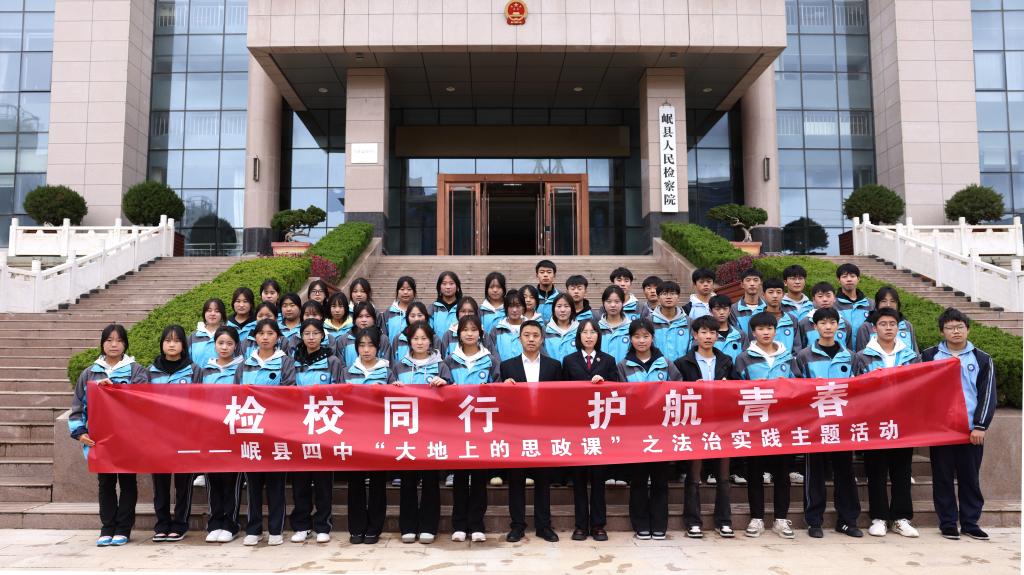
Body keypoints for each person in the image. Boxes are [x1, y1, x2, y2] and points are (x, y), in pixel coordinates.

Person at [921, 308, 996, 541]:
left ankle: (970, 523)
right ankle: (947, 523)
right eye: (950, 328)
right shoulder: (929, 355)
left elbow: (987, 394)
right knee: (942, 477)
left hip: (970, 429)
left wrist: (980, 425)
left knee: (969, 478)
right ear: (941, 331)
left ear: (968, 329)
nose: (955, 331)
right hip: (941, 430)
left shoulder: (982, 358)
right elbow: (920, 391)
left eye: (960, 327)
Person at [69, 324, 147, 546]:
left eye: (119, 340)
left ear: (125, 344)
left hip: (128, 439)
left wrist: (114, 390)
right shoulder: (89, 373)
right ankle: (107, 527)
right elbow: (77, 407)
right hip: (100, 440)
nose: (114, 345)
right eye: (109, 340)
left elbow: (142, 400)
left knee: (128, 482)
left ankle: (123, 529)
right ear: (102, 343)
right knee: (105, 483)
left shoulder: (136, 371)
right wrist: (80, 432)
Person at [793, 307, 862, 539]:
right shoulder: (804, 356)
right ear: (814, 327)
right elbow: (797, 390)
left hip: (843, 425)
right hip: (815, 425)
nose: (828, 326)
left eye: (832, 322)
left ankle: (848, 521)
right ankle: (814, 521)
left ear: (838, 326)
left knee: (846, 472)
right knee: (815, 474)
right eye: (823, 323)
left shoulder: (851, 356)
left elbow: (860, 389)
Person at [853, 308, 921, 539]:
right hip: (874, 421)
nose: (888, 328)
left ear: (899, 327)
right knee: (876, 470)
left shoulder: (911, 356)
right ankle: (879, 517)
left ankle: (901, 518)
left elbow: (919, 386)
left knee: (902, 470)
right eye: (883, 324)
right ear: (874, 328)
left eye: (893, 324)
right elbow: (856, 388)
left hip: (903, 420)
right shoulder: (862, 356)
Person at [617, 318, 682, 540]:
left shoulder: (666, 364)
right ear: (630, 339)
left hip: (661, 431)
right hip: (636, 432)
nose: (641, 340)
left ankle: (659, 524)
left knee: (660, 480)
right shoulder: (623, 366)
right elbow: (619, 397)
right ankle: (641, 524)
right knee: (638, 479)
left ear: (652, 338)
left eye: (645, 336)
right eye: (637, 336)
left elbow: (679, 391)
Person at [234, 319, 296, 546]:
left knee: (276, 483)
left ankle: (276, 529)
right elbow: (235, 395)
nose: (266, 337)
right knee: (253, 484)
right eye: (261, 333)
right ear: (255, 337)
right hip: (250, 431)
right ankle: (254, 528)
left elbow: (290, 392)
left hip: (276, 431)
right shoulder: (245, 364)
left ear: (277, 337)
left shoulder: (285, 362)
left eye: (270, 333)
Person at [734, 312, 796, 539]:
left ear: (775, 330)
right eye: (761, 329)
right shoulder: (743, 358)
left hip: (783, 423)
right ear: (753, 332)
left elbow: (799, 384)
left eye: (769, 328)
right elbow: (735, 388)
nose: (766, 332)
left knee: (782, 473)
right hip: (755, 423)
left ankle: (781, 519)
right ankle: (757, 518)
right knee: (755, 472)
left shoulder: (788, 357)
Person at [499, 320, 562, 543]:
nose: (531, 339)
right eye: (527, 335)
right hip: (517, 431)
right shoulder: (507, 366)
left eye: (536, 335)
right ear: (520, 339)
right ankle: (517, 526)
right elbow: (500, 401)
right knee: (516, 480)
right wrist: (503, 388)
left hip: (544, 430)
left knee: (543, 480)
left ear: (542, 339)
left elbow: (561, 398)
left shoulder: (554, 366)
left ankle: (544, 526)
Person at [674, 315, 736, 539]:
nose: (708, 336)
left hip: (721, 424)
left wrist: (728, 386)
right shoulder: (683, 363)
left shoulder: (726, 361)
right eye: (703, 332)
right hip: (694, 425)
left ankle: (724, 521)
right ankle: (692, 521)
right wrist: (691, 387)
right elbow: (674, 392)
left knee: (723, 476)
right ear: (695, 335)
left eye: (712, 332)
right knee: (694, 476)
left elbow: (738, 389)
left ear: (717, 335)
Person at [391, 322, 452, 544]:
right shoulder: (399, 366)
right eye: (415, 339)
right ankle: (408, 526)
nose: (419, 342)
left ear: (430, 341)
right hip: (406, 430)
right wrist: (394, 387)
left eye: (424, 338)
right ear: (409, 341)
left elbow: (452, 394)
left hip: (432, 430)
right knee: (407, 479)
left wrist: (444, 384)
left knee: (430, 479)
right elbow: (388, 395)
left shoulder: (441, 365)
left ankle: (428, 526)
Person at [443, 315, 500, 543]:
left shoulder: (490, 360)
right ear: (459, 334)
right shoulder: (449, 360)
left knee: (478, 476)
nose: (469, 333)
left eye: (473, 329)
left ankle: (477, 524)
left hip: (481, 425)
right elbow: (443, 389)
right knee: (459, 477)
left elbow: (499, 389)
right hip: (457, 426)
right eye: (465, 330)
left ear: (480, 333)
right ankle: (459, 524)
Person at [562, 319, 618, 541]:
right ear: (578, 336)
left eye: (593, 332)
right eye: (584, 332)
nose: (588, 336)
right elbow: (561, 393)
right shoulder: (569, 360)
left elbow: (617, 390)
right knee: (578, 479)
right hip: (576, 427)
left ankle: (598, 525)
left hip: (599, 428)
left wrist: (605, 382)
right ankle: (580, 525)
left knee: (598, 478)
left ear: (598, 336)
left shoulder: (608, 360)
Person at [290, 319, 345, 544]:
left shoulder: (332, 361)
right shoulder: (293, 361)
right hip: (298, 426)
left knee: (323, 480)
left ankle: (323, 524)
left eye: (315, 333)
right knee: (300, 479)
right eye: (307, 334)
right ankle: (301, 525)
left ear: (323, 336)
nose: (311, 337)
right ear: (301, 336)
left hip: (324, 426)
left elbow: (340, 391)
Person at [145, 325, 198, 543]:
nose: (172, 344)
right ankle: (162, 524)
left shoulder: (194, 370)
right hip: (158, 435)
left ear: (184, 345)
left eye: (176, 341)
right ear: (162, 344)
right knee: (160, 483)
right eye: (168, 340)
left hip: (185, 435)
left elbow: (200, 402)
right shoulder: (150, 371)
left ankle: (180, 524)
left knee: (183, 483)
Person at [193, 326, 244, 543]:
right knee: (213, 478)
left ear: (236, 346)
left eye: (229, 343)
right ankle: (215, 522)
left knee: (231, 479)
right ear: (214, 345)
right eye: (221, 343)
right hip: (210, 431)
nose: (224, 347)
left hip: (233, 430)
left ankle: (230, 524)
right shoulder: (204, 370)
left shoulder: (242, 368)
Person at [344, 327, 393, 544]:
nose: (366, 350)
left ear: (378, 348)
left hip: (379, 433)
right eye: (362, 345)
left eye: (371, 345)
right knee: (355, 482)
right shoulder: (347, 371)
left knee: (377, 482)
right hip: (353, 434)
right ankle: (356, 528)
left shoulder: (387, 371)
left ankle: (374, 528)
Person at [854, 286, 919, 353]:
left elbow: (915, 353)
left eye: (892, 301)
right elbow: (862, 356)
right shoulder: (866, 327)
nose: (888, 305)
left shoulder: (907, 325)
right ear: (877, 304)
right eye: (884, 301)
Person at [334, 302, 392, 366]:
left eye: (368, 316)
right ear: (354, 320)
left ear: (374, 319)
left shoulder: (382, 339)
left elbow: (386, 363)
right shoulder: (343, 340)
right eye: (360, 316)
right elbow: (340, 366)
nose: (364, 320)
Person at [798, 282, 853, 349]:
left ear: (834, 298)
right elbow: (800, 349)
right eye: (820, 296)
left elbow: (849, 349)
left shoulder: (845, 323)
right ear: (813, 299)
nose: (825, 299)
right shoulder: (804, 323)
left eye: (828, 296)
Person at [834, 263, 874, 349]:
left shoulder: (871, 304)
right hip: (841, 353)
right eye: (844, 277)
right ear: (838, 280)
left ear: (858, 279)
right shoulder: (832, 304)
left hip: (867, 353)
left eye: (852, 276)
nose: (849, 279)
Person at [762, 278, 805, 357]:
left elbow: (797, 347)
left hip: (788, 362)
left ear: (783, 294)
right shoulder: (756, 319)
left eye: (778, 292)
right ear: (763, 294)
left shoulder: (792, 319)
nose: (775, 296)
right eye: (771, 292)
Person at [650, 280, 690, 362]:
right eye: (664, 294)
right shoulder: (649, 322)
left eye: (672, 293)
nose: (669, 297)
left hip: (683, 367)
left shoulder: (689, 322)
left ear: (678, 297)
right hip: (657, 367)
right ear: (658, 297)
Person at [487, 290, 530, 362]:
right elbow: (492, 353)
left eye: (518, 306)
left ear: (523, 307)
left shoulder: (532, 328)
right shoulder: (496, 329)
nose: (514, 310)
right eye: (511, 306)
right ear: (506, 308)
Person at [708, 294, 747, 362]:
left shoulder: (740, 334)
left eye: (725, 309)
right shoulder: (707, 335)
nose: (722, 312)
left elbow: (746, 358)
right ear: (710, 311)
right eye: (717, 309)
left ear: (729, 311)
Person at [190, 298, 227, 368]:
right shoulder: (193, 337)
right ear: (204, 313)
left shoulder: (228, 335)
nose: (212, 314)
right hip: (197, 374)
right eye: (209, 311)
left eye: (217, 311)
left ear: (222, 314)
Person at [598, 285, 631, 363]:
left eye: (617, 301)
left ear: (623, 302)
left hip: (625, 370)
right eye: (609, 301)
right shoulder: (597, 328)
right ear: (603, 303)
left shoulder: (631, 328)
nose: (613, 305)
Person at [543, 293, 578, 362]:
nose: (562, 310)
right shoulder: (545, 331)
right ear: (553, 309)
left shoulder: (579, 331)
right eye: (559, 306)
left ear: (572, 309)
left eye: (566, 306)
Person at [730, 268, 766, 333]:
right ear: (742, 285)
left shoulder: (767, 306)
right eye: (748, 280)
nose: (752, 284)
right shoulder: (733, 309)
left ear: (761, 283)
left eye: (755, 280)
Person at [430, 271, 462, 336]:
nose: (448, 287)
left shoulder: (463, 307)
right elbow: (428, 330)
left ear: (457, 286)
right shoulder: (433, 308)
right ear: (439, 287)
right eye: (444, 284)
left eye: (451, 283)